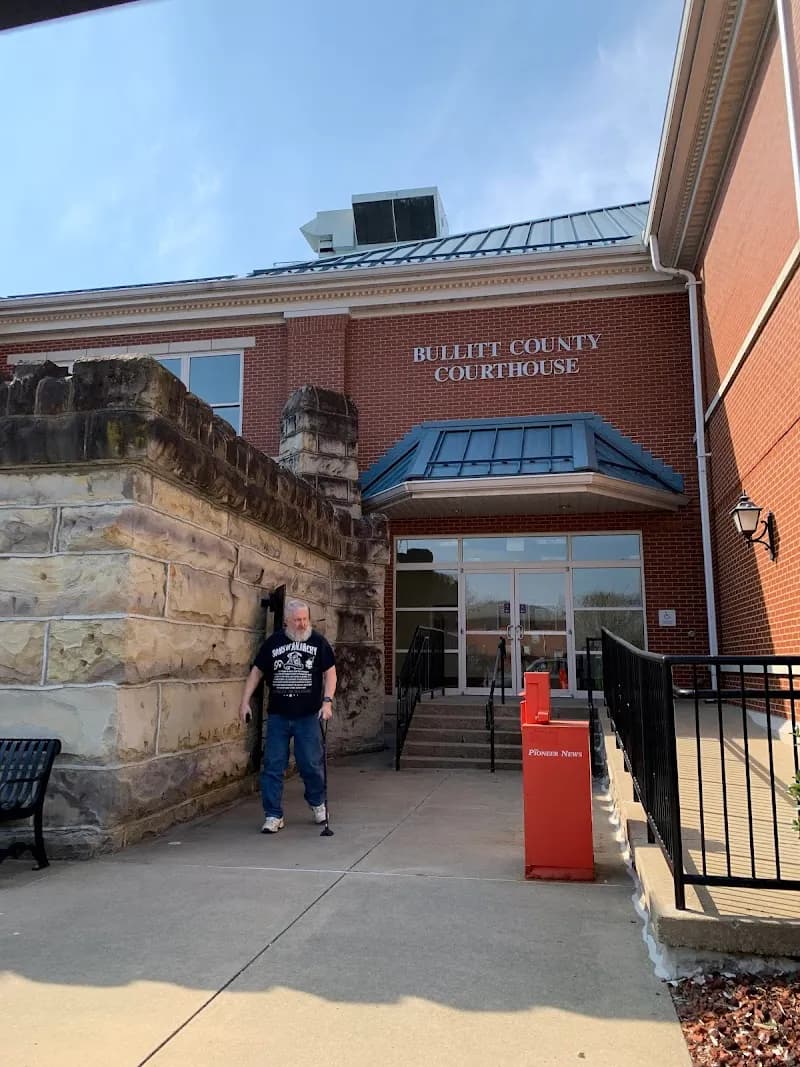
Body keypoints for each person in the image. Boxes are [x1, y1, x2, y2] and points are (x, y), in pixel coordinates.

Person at [239, 598, 337, 834]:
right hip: (279, 716)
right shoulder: (273, 643)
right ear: (286, 621)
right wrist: (244, 702)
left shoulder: (318, 642)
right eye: (297, 620)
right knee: (273, 765)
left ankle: (318, 803)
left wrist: (327, 702)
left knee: (310, 765)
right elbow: (257, 672)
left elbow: (331, 673)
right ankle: (273, 815)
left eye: (305, 619)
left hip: (308, 716)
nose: (302, 624)